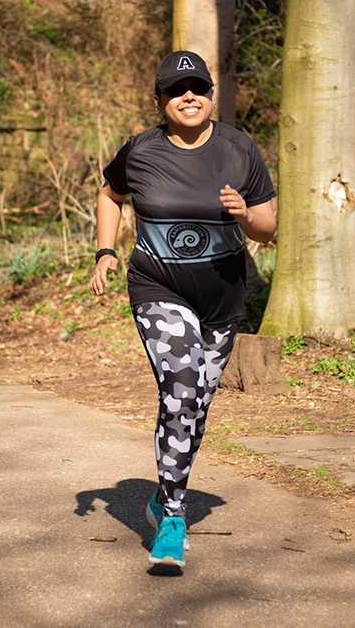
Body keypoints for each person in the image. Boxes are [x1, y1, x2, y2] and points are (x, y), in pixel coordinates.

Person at [90, 51, 276, 567]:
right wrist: (106, 250)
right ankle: (173, 516)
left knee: (196, 404)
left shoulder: (240, 149)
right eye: (176, 90)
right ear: (159, 102)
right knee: (179, 387)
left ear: (211, 96)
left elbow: (269, 225)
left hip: (221, 296)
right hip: (158, 286)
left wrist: (245, 216)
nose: (187, 96)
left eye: (196, 87)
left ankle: (161, 492)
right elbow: (110, 195)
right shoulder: (140, 150)